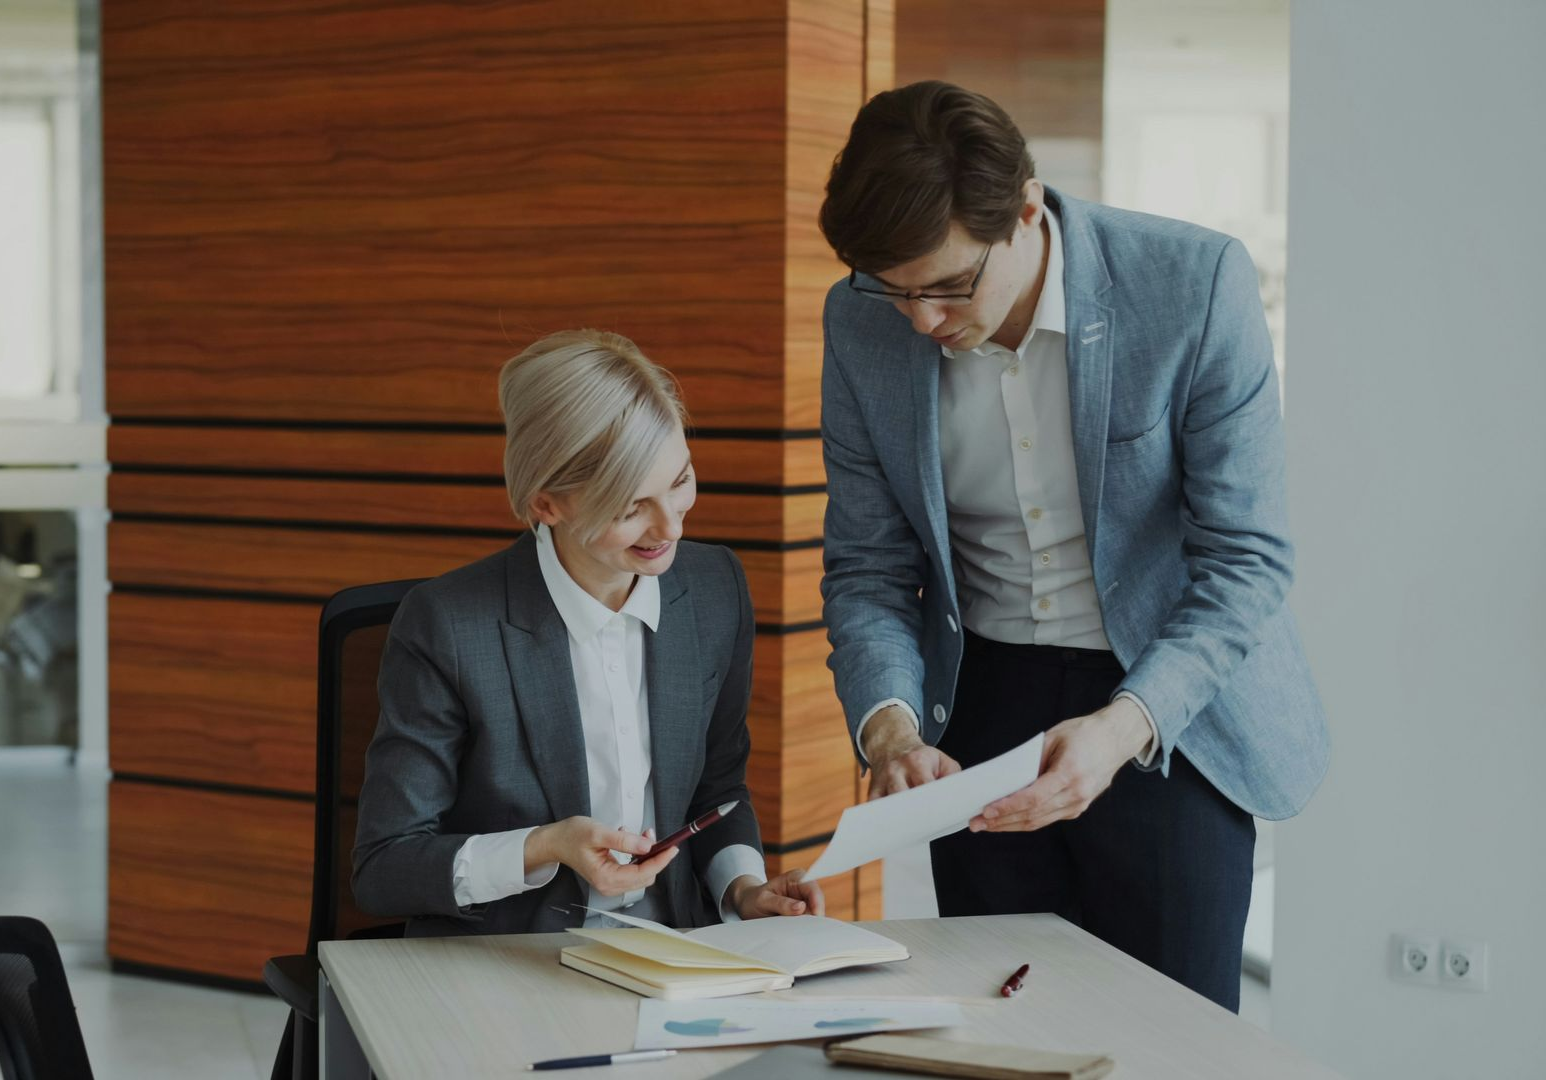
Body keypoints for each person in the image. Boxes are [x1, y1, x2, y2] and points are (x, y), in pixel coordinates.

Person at [816, 81, 1327, 1010]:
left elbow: (1245, 560)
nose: (922, 320)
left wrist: (1126, 726)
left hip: (1167, 710)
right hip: (980, 713)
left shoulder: (1190, 285)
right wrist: (888, 724)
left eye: (948, 284)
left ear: (1024, 209)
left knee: (1171, 1038)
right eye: (894, 291)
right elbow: (870, 566)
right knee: (998, 1023)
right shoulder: (858, 322)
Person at [353, 329, 823, 935]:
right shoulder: (448, 624)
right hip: (512, 959)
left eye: (679, 481)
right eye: (631, 508)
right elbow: (384, 868)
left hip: (674, 951)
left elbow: (717, 790)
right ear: (548, 504)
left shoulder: (713, 589)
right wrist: (546, 846)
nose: (669, 528)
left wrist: (745, 889)